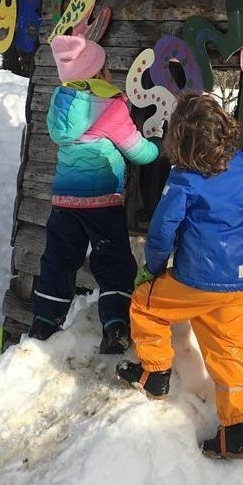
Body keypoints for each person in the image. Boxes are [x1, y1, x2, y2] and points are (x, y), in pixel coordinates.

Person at [116, 93, 243, 460]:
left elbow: (163, 229)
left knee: (146, 305)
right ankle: (237, 431)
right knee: (229, 350)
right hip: (240, 283)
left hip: (196, 278)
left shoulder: (185, 178)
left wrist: (152, 268)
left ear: (178, 139)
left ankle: (155, 374)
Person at [29, 34, 160, 354]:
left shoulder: (60, 104)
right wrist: (157, 151)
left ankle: (46, 320)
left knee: (58, 259)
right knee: (113, 259)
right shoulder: (110, 106)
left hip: (65, 201)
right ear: (98, 73)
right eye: (105, 68)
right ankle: (115, 323)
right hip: (102, 200)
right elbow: (137, 151)